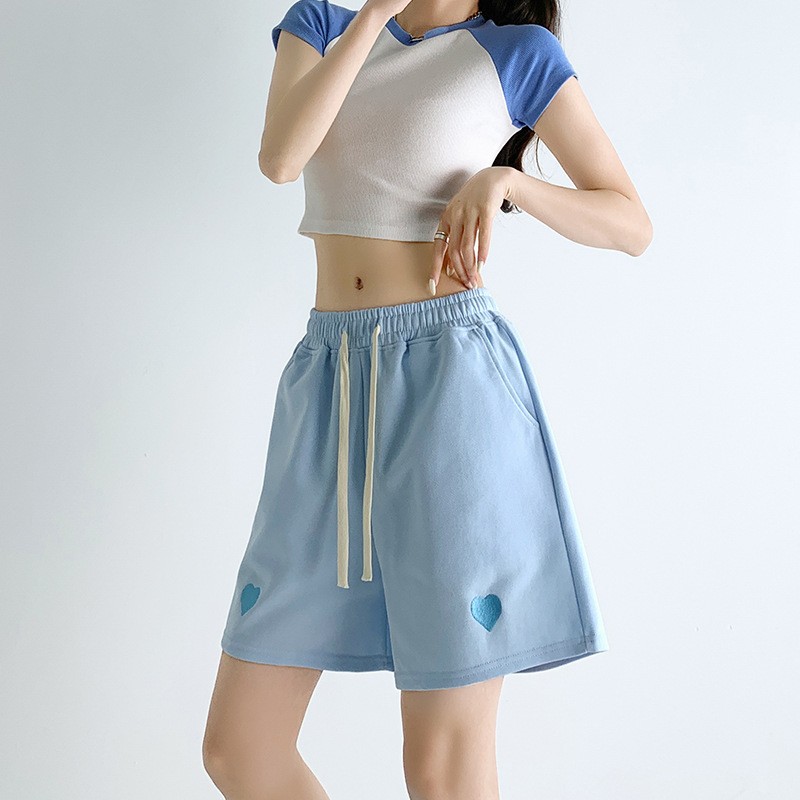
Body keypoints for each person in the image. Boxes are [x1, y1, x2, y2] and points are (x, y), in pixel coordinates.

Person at [203, 0, 652, 797]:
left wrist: (507, 181)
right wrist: (375, 12)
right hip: (328, 386)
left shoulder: (518, 53)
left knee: (441, 767)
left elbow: (631, 223)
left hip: (452, 388)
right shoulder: (321, 24)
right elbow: (280, 159)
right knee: (240, 748)